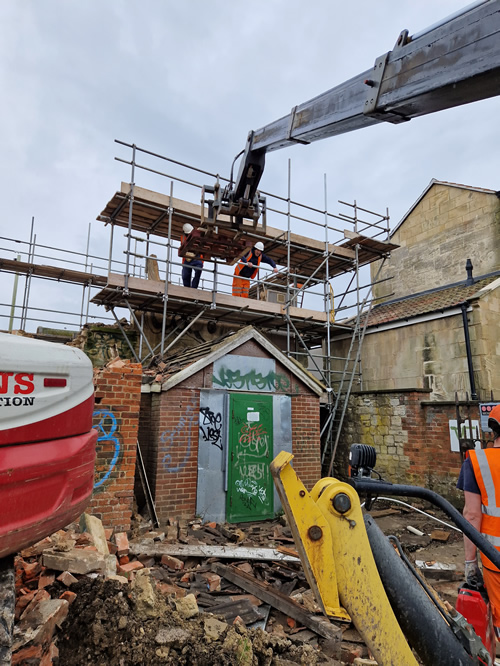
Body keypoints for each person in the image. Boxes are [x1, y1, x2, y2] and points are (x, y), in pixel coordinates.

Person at [457, 404, 500, 639]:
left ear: (492, 431)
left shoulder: (477, 461)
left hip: (496, 560)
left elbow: (472, 515)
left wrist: (470, 563)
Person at [179, 223, 203, 289]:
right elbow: (181, 248)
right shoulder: (183, 237)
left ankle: (194, 288)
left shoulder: (197, 235)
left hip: (196, 257)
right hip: (187, 259)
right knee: (185, 275)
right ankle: (187, 289)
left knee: (198, 270)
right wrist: (185, 254)